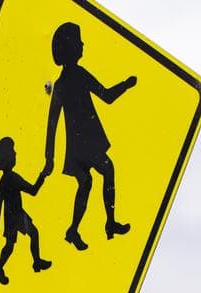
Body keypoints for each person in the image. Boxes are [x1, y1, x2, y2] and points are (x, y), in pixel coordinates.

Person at [42, 21, 137, 251]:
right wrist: (126, 84)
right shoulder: (70, 80)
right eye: (79, 41)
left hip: (79, 145)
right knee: (104, 172)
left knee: (87, 183)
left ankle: (76, 230)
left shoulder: (63, 83)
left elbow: (52, 125)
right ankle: (105, 223)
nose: (83, 44)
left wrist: (50, 159)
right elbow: (106, 96)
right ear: (70, 47)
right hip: (85, 143)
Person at [0, 136, 52, 285]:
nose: (15, 154)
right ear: (7, 158)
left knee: (17, 242)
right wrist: (43, 175)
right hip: (15, 217)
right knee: (22, 240)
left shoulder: (6, 179)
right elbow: (33, 191)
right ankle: (1, 266)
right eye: (13, 152)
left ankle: (31, 262)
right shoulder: (11, 178)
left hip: (14, 215)